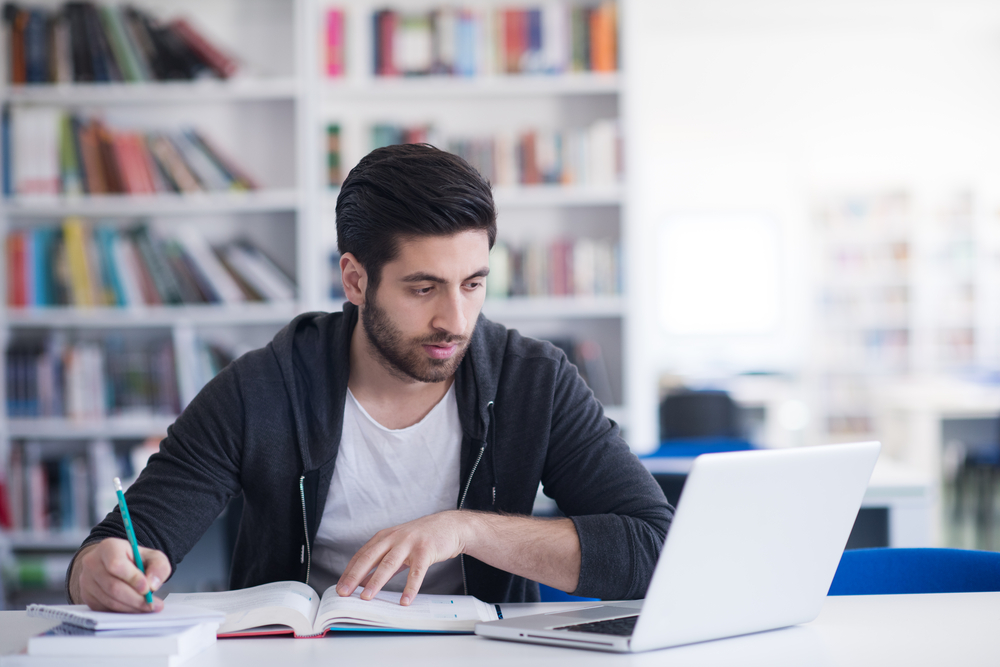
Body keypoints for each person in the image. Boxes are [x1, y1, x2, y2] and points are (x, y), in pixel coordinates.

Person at [67, 144, 674, 613]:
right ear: (355, 281)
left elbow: (652, 550)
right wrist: (100, 569)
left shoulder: (533, 383)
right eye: (423, 287)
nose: (455, 321)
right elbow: (119, 542)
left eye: (473, 284)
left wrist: (464, 531)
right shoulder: (260, 390)